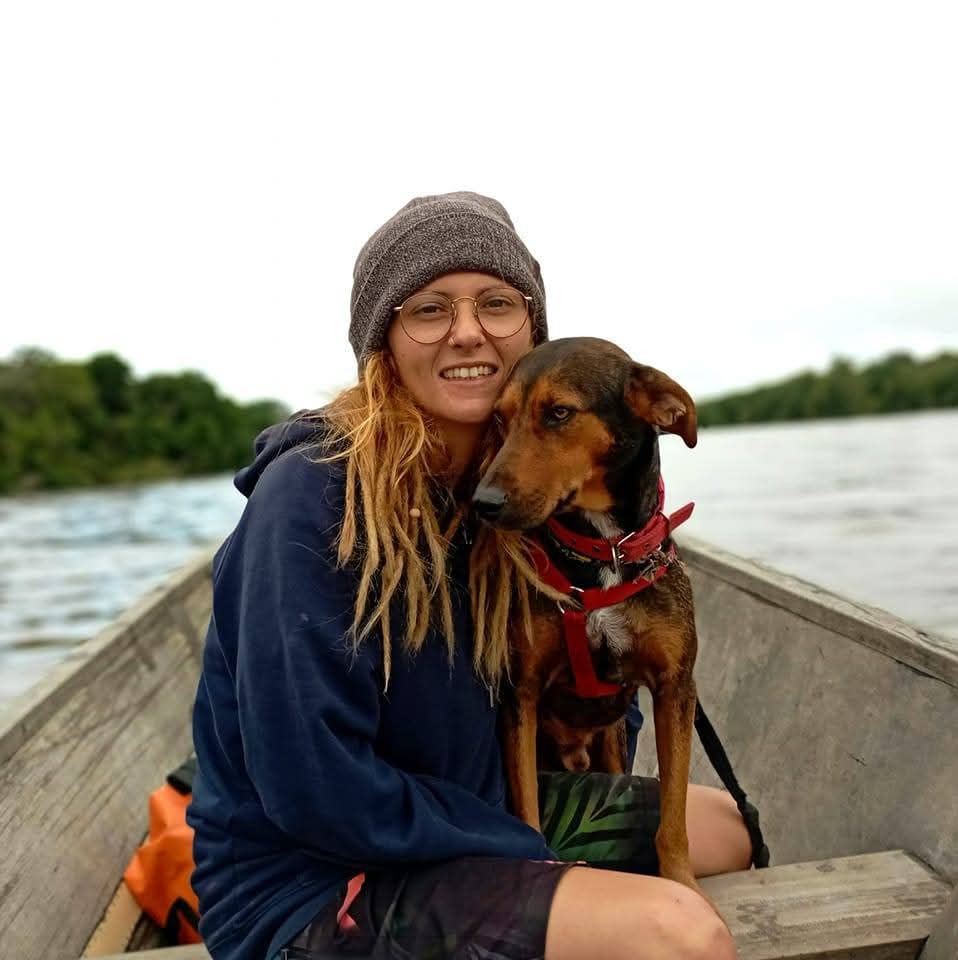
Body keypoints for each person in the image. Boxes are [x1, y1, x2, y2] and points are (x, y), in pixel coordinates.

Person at [187, 191, 749, 960]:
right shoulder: (312, 498)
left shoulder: (499, 501)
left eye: (496, 304)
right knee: (676, 934)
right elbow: (315, 789)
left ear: (533, 332)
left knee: (722, 830)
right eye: (428, 309)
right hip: (315, 887)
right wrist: (530, 850)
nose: (467, 331)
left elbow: (590, 685)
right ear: (383, 340)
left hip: (453, 811)